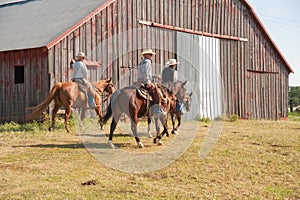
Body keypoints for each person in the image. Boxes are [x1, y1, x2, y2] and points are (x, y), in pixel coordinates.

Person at [137, 49, 164, 117]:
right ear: (145, 55)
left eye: (151, 54)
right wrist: (148, 82)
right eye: (150, 54)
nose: (151, 56)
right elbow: (146, 73)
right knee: (156, 92)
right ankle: (157, 110)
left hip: (139, 80)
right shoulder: (147, 62)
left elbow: (145, 73)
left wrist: (155, 76)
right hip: (145, 81)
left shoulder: (141, 62)